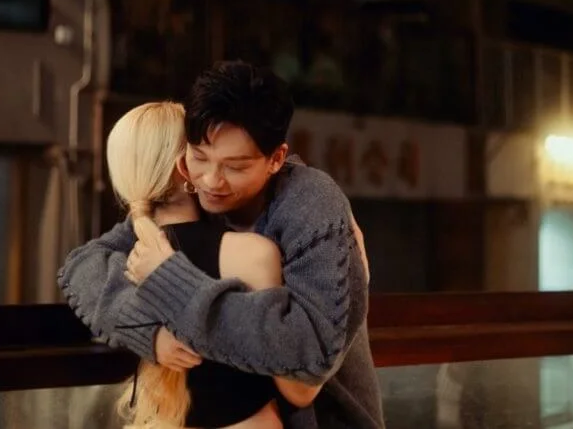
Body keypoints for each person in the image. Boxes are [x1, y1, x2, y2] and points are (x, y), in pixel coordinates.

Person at [59, 61, 384, 429]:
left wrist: (171, 285)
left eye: (236, 166)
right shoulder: (195, 194)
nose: (212, 180)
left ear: (276, 159)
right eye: (199, 157)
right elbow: (83, 266)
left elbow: (306, 366)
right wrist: (149, 332)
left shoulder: (311, 206)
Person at [104, 101, 319, 428]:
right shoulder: (252, 255)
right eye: (202, 152)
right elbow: (300, 387)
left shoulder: (117, 268)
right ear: (185, 167)